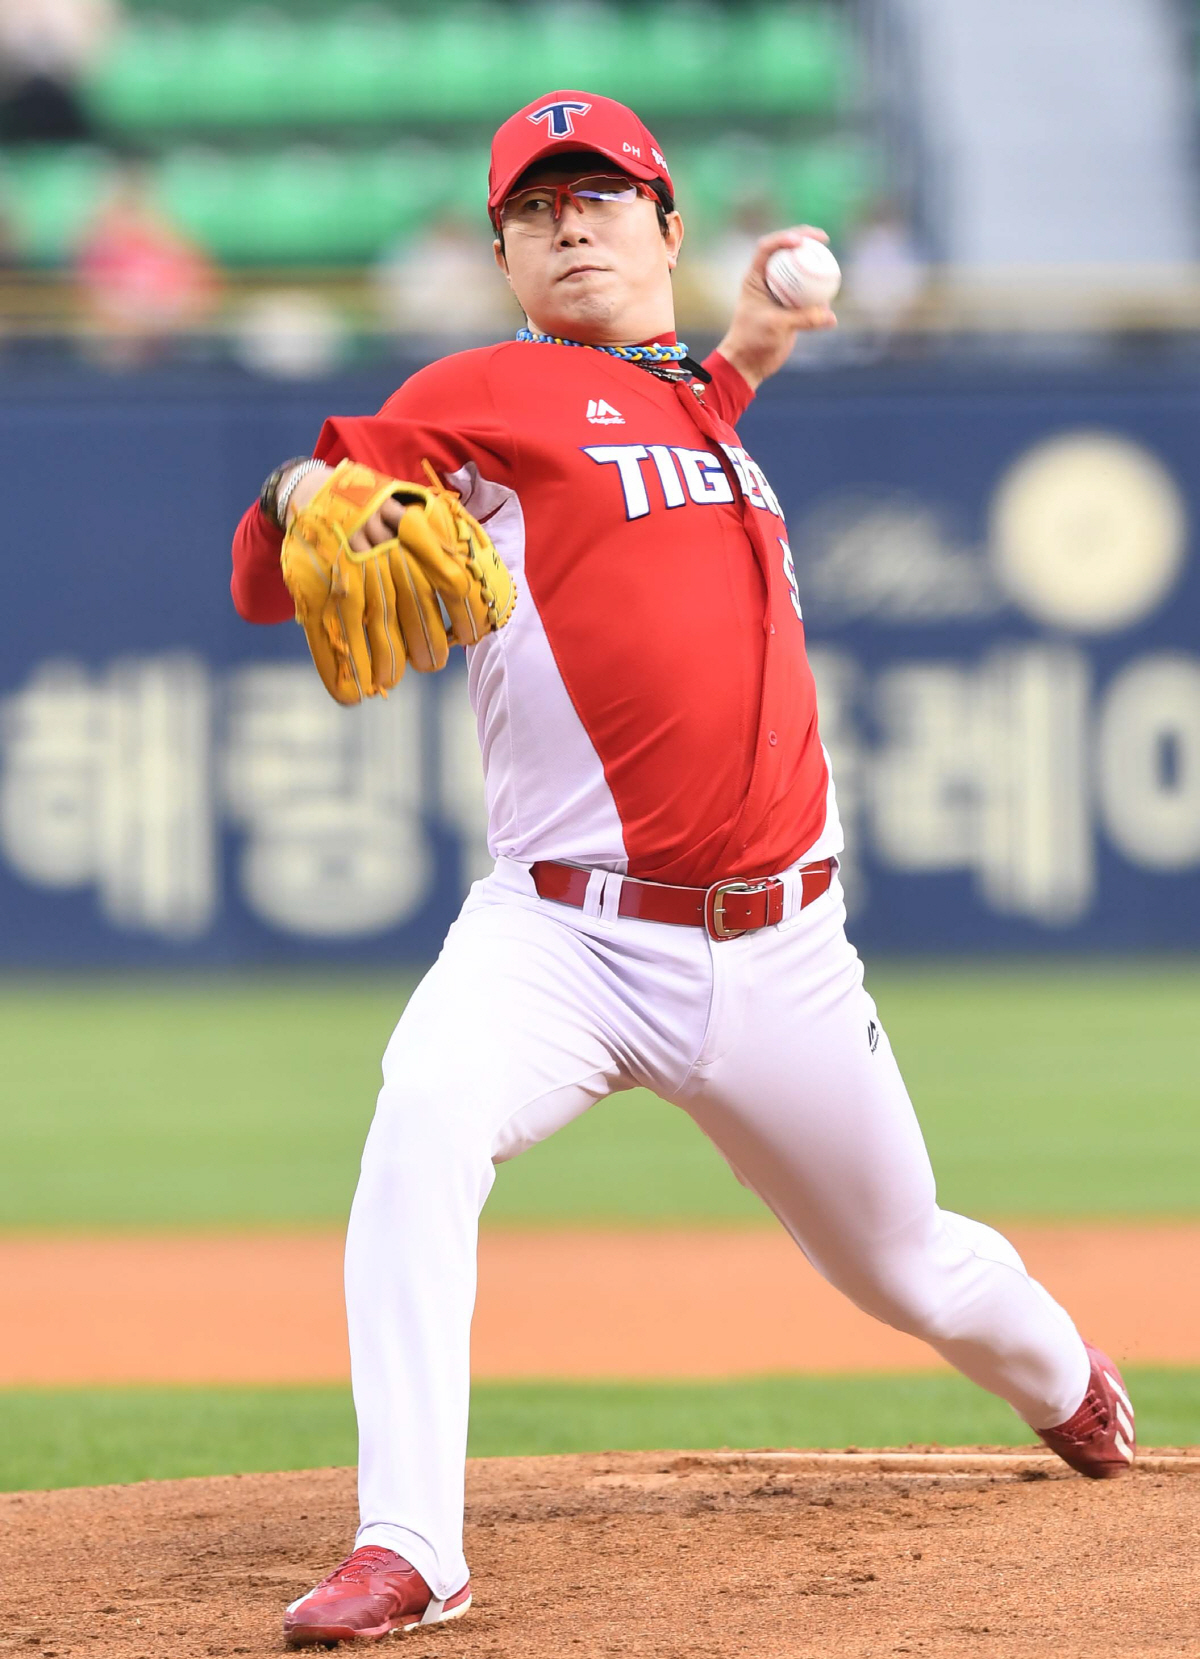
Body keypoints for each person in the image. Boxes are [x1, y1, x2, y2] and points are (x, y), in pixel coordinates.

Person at [229, 90, 1135, 1649]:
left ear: (664, 226)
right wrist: (301, 490)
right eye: (534, 208)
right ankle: (410, 1543)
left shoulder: (696, 405)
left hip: (783, 951)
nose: (568, 223)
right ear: (506, 260)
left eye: (600, 195)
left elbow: (676, 403)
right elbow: (268, 573)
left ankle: (1069, 1383)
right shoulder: (484, 392)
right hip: (561, 938)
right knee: (422, 1120)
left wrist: (755, 344)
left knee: (908, 1265)